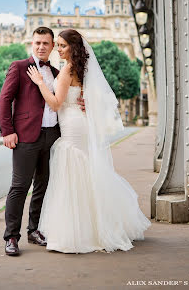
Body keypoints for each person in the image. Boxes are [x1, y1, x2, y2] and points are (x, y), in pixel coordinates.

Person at [27, 29, 152, 253]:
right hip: (78, 121)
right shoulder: (80, 69)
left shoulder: (66, 71)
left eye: (63, 45)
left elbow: (56, 104)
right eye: (59, 45)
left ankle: (81, 230)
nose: (58, 49)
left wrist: (39, 83)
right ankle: (95, 225)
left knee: (75, 171)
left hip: (73, 126)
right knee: (86, 170)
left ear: (73, 48)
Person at [0, 26, 85, 256]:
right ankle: (11, 237)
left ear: (52, 46)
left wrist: (82, 103)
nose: (41, 47)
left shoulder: (57, 72)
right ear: (32, 43)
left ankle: (34, 230)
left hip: (53, 136)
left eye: (46, 43)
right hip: (26, 136)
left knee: (43, 186)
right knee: (19, 187)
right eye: (37, 43)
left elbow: (64, 99)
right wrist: (7, 131)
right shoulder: (18, 67)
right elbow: (4, 100)